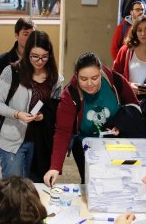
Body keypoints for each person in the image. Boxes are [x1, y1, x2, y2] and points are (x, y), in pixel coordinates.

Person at [43, 53, 138, 187]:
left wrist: (120, 124)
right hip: (84, 144)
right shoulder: (70, 95)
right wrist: (55, 166)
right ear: (76, 75)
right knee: (90, 183)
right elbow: (62, 132)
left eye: (94, 78)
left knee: (116, 181)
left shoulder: (115, 81)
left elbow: (133, 107)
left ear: (100, 72)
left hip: (114, 142)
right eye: (83, 79)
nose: (89, 84)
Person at [0, 31, 63, 179]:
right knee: (13, 188)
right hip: (13, 139)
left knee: (35, 188)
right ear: (27, 53)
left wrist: (44, 115)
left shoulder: (55, 79)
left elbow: (56, 108)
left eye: (44, 56)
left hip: (40, 142)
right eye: (34, 56)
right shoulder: (12, 71)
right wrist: (17, 114)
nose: (39, 61)